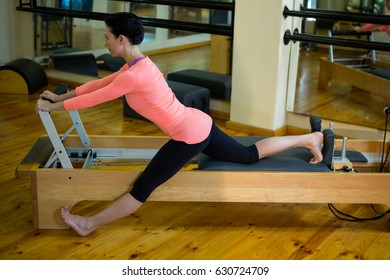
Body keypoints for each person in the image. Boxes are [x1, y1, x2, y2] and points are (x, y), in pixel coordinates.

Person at [36, 12, 323, 236]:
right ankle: (308, 139)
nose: (104, 41)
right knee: (248, 155)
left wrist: (55, 106)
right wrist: (60, 96)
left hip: (189, 136)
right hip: (200, 125)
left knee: (142, 188)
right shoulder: (137, 66)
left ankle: (89, 224)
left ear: (121, 39)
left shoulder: (133, 75)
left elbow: (94, 99)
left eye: (107, 36)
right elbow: (98, 85)